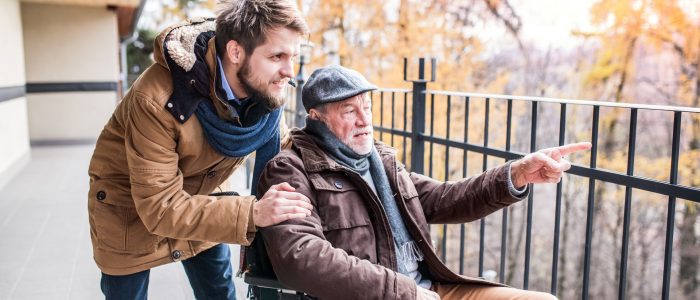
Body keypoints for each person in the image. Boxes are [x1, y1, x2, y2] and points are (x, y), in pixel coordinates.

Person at [257, 65, 592, 300]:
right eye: (349, 112)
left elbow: (446, 198)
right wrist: (403, 292)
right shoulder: (290, 169)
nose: (364, 122)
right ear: (316, 118)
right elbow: (302, 258)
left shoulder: (380, 163)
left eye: (367, 109)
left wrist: (516, 173)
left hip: (429, 288)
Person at [87, 1, 314, 299]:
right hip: (128, 206)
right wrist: (253, 212)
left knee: (219, 293)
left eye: (293, 57)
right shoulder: (157, 99)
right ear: (235, 52)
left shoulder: (263, 94)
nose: (288, 71)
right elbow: (160, 207)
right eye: (277, 56)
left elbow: (283, 148)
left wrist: (341, 141)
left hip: (201, 196)